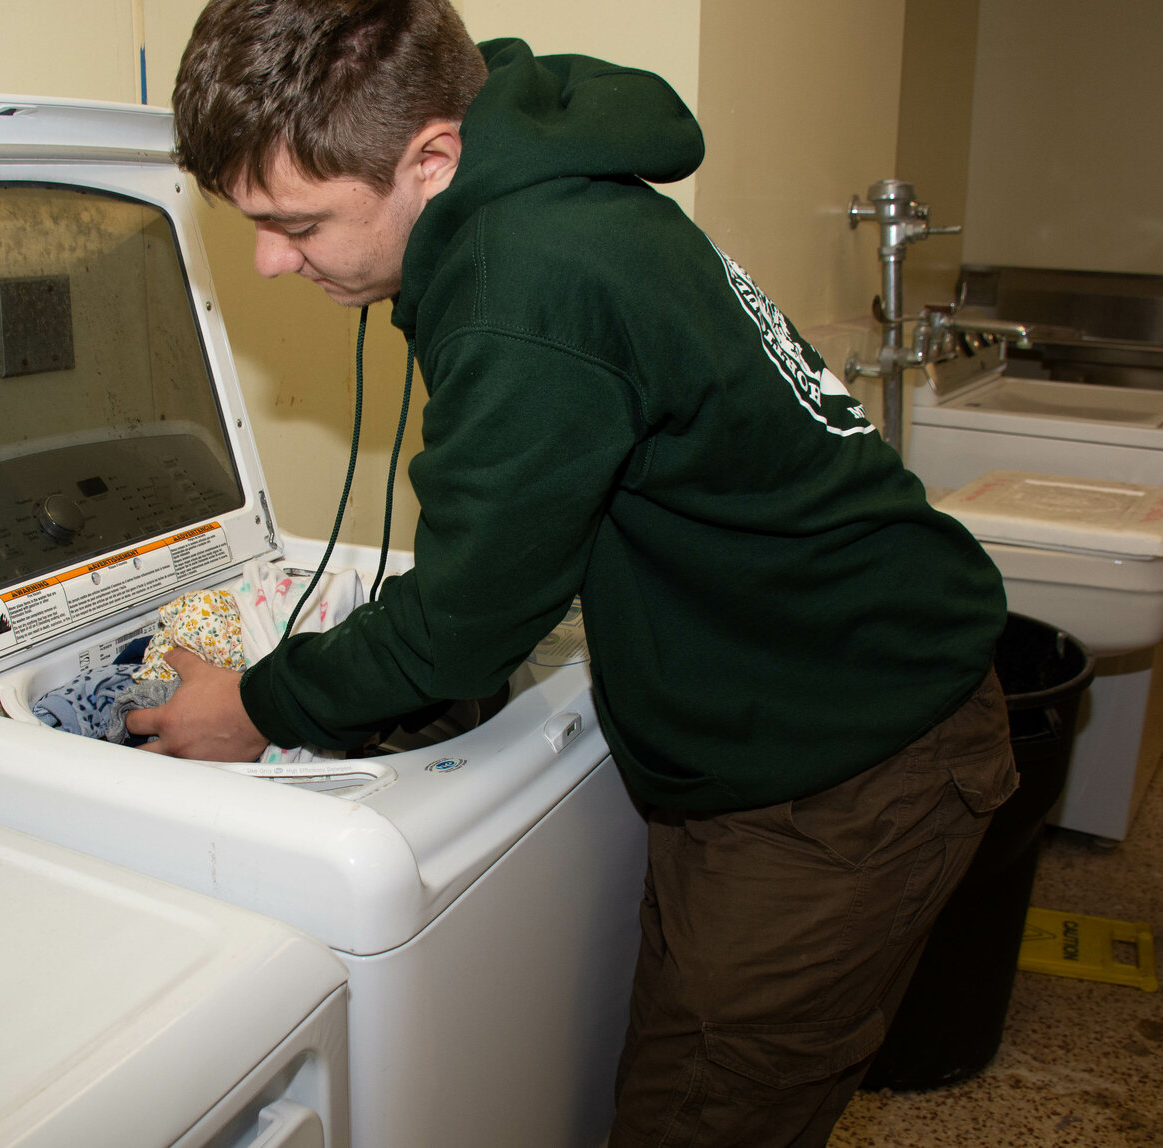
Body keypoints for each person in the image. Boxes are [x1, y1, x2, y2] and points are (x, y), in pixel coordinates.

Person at [128, 2, 1018, 1143]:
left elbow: (457, 627)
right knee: (681, 1065)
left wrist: (253, 705)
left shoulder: (523, 285)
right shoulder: (535, 175)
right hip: (797, 702)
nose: (267, 258)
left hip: (850, 758)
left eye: (296, 223)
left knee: (699, 1113)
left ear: (431, 157)